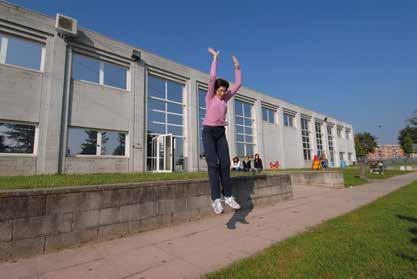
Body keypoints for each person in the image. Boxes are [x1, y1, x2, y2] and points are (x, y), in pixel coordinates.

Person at [202, 47, 242, 214]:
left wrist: (237, 67)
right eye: (221, 90)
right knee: (213, 165)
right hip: (209, 132)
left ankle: (228, 196)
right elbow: (212, 78)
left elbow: (238, 84)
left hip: (220, 133)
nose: (223, 93)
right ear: (215, 90)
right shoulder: (210, 97)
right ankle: (216, 200)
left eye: (225, 91)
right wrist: (215, 58)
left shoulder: (225, 98)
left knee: (225, 164)